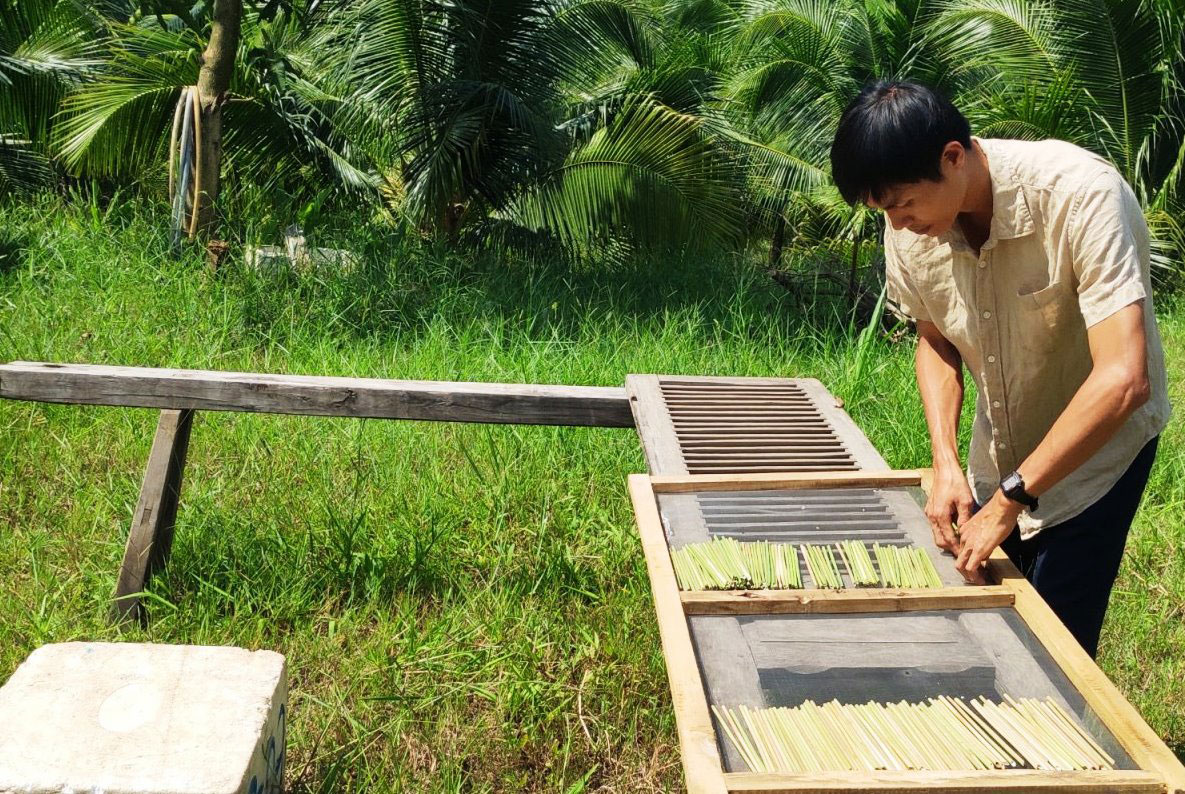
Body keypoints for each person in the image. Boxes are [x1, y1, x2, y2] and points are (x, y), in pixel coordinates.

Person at [829, 80, 1171, 658]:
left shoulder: (1080, 195)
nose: (897, 223)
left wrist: (1011, 501)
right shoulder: (908, 227)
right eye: (884, 211)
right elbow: (934, 339)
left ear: (953, 158)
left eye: (904, 204)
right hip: (1002, 450)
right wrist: (944, 463)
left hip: (1096, 459)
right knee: (988, 633)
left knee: (1054, 649)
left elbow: (1124, 379)